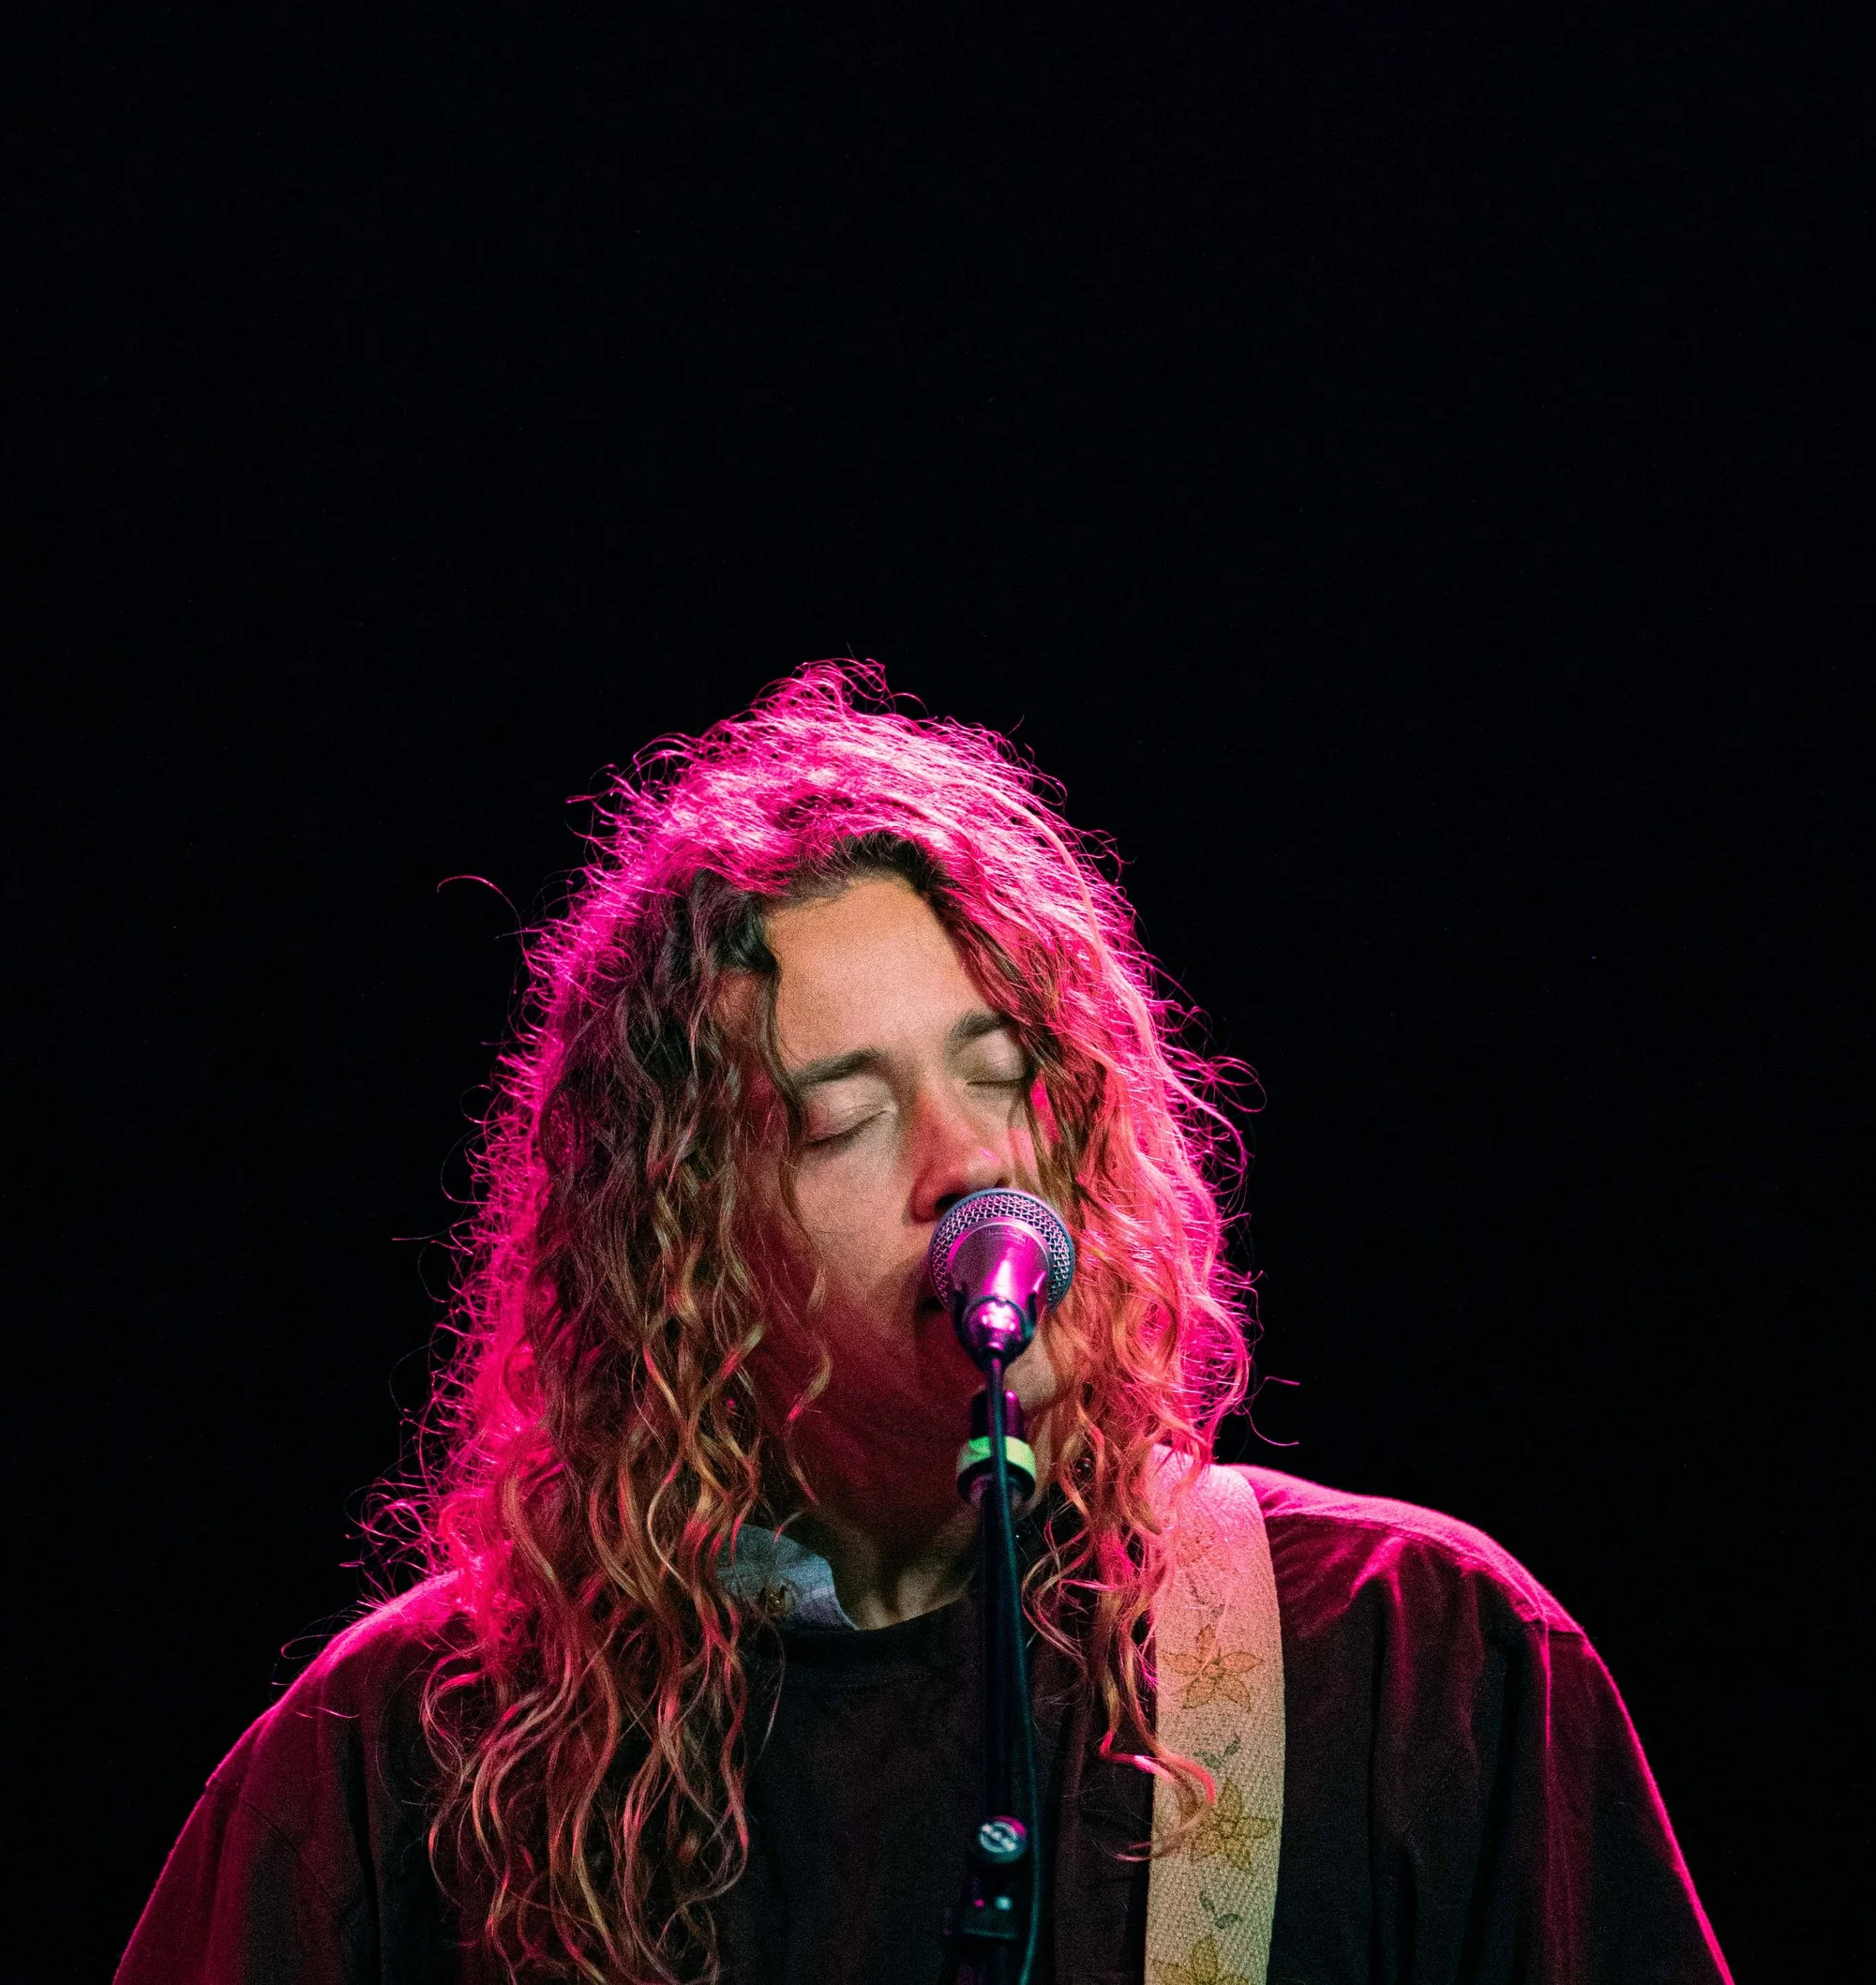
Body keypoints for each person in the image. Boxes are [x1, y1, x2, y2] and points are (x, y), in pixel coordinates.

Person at [116, 665, 1729, 1985]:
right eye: (840, 1117)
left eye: (1003, 1070)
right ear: (687, 1246)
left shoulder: (1412, 1662)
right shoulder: (405, 1761)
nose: (972, 1166)